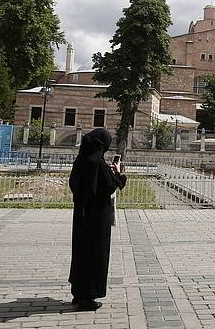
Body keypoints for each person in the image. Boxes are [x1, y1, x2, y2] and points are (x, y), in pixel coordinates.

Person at [68, 128, 126, 311]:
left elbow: (74, 184)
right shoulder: (99, 164)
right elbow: (110, 187)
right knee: (95, 255)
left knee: (81, 253)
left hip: (81, 215)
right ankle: (88, 297)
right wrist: (118, 174)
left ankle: (78, 293)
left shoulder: (81, 161)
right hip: (98, 218)